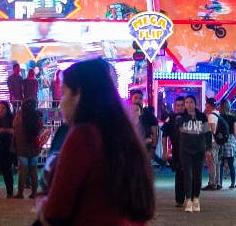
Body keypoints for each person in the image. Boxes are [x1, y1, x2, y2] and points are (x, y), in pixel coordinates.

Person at [31, 58, 155, 225]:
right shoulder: (125, 134)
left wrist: (43, 204)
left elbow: (57, 208)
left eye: (64, 93)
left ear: (79, 95)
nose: (61, 103)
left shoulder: (84, 136)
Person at [173, 95, 210, 211]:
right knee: (187, 175)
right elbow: (176, 133)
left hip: (199, 151)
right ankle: (188, 200)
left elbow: (208, 133)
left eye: (191, 102)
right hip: (185, 151)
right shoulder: (180, 118)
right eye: (187, 102)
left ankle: (196, 199)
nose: (189, 105)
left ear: (195, 104)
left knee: (198, 176)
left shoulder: (202, 117)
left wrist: (208, 148)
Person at [161, 98, 189, 208]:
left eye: (182, 105)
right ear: (174, 106)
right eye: (178, 105)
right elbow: (164, 135)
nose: (180, 107)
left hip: (189, 150)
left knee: (189, 174)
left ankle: (190, 197)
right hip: (177, 151)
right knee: (179, 175)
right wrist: (164, 151)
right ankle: (179, 200)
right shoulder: (171, 119)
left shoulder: (190, 117)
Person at [13, 98, 43, 197]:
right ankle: (34, 192)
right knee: (33, 169)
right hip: (34, 147)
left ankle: (20, 193)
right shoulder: (37, 116)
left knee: (23, 170)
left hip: (22, 147)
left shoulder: (20, 116)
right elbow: (39, 130)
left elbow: (15, 128)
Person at [214, 99, 236, 189]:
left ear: (220, 107)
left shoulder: (219, 117)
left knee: (220, 163)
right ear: (229, 106)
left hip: (221, 141)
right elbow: (235, 132)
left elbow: (216, 130)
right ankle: (233, 183)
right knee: (232, 164)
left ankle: (219, 183)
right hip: (231, 140)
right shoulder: (233, 118)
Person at [203, 97, 222, 190]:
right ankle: (218, 183)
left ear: (208, 105)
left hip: (212, 142)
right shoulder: (218, 113)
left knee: (211, 163)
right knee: (217, 163)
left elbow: (212, 129)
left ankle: (212, 183)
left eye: (206, 104)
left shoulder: (211, 115)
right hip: (218, 142)